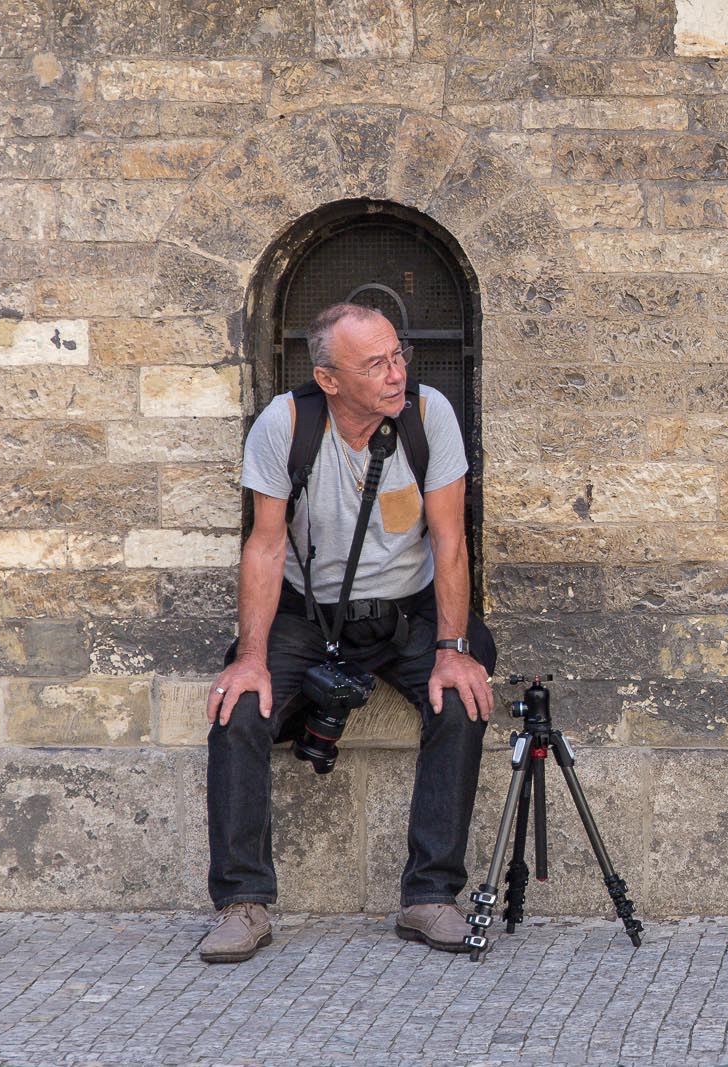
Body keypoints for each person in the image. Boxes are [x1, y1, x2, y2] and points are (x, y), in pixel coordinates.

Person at [198, 303, 496, 963]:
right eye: (375, 364)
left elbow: (450, 540)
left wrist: (451, 650)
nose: (395, 374)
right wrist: (251, 657)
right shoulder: (289, 424)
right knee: (238, 706)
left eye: (399, 355)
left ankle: (430, 895)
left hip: (409, 610)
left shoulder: (427, 415)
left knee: (464, 692)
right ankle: (242, 902)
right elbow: (266, 545)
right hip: (313, 613)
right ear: (331, 379)